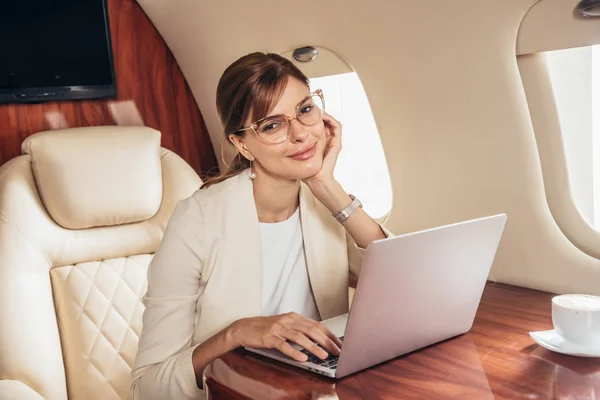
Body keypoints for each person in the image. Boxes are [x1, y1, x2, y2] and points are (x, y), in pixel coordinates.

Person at [131, 52, 392, 399]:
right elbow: (147, 387)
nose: (300, 133)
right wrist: (235, 333)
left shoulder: (322, 200)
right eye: (272, 125)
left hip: (320, 390)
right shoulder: (197, 220)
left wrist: (327, 186)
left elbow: (397, 281)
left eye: (305, 109)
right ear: (242, 144)